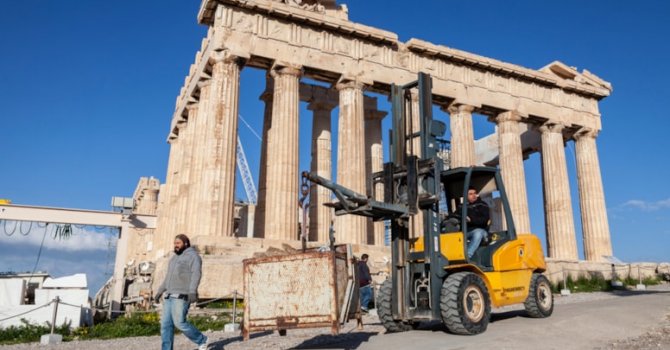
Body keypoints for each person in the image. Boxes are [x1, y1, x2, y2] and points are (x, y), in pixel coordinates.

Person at [154, 234, 209, 350]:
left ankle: (202, 339)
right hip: (168, 296)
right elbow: (168, 277)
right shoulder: (174, 258)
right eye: (174, 243)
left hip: (181, 295)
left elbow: (196, 274)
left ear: (186, 243)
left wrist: (192, 291)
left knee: (179, 323)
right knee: (165, 325)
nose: (176, 246)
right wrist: (160, 291)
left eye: (178, 243)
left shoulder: (193, 256)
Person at [454, 186, 490, 259]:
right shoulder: (461, 207)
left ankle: (467, 256)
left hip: (481, 231)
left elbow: (484, 220)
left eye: (475, 193)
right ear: (465, 196)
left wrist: (471, 220)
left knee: (478, 233)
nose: (473, 195)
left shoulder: (482, 204)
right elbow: (455, 216)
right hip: (466, 232)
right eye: (470, 194)